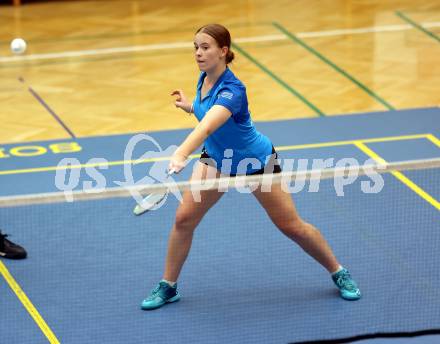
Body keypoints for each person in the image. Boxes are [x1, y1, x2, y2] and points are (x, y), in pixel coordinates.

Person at [141, 24, 360, 310]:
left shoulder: (234, 90)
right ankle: (168, 286)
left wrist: (181, 153)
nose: (198, 53)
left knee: (292, 226)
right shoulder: (204, 78)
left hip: (254, 162)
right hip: (217, 160)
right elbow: (209, 114)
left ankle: (338, 271)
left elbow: (208, 126)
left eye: (205, 47)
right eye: (195, 47)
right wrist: (191, 106)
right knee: (184, 220)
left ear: (223, 51)